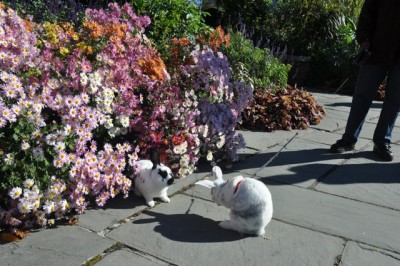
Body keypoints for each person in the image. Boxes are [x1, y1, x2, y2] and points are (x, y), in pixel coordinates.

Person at [330, 0, 400, 161]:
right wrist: (364, 40)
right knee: (362, 96)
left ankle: (382, 142)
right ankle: (348, 139)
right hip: (376, 50)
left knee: (394, 101)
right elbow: (367, 13)